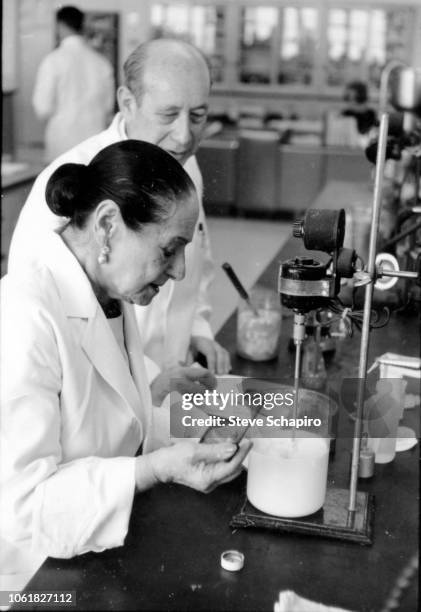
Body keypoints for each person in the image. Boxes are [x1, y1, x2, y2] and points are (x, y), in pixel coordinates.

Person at [0, 140, 251, 567]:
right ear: (108, 226)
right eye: (169, 249)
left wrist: (175, 413)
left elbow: (106, 416)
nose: (180, 271)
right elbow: (22, 508)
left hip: (92, 548)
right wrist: (154, 469)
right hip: (34, 578)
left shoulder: (106, 291)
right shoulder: (24, 317)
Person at [12, 38, 230, 381]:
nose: (185, 136)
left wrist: (197, 327)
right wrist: (148, 381)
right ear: (128, 102)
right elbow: (43, 325)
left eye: (198, 116)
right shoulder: (76, 180)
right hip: (111, 396)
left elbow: (195, 258)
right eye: (169, 115)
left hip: (170, 381)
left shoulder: (184, 165)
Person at [32, 6, 114, 162]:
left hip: (62, 143)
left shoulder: (53, 61)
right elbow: (108, 108)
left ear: (60, 25)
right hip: (94, 142)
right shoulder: (102, 62)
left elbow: (42, 108)